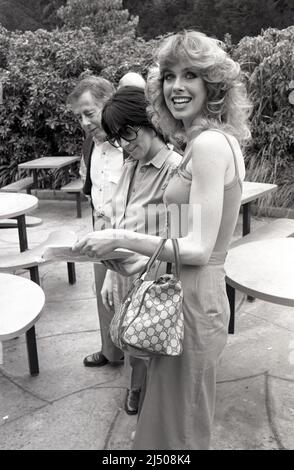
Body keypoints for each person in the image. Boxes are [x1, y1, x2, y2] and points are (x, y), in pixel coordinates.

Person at [72, 30, 251, 449]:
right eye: (169, 76)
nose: (176, 86)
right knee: (173, 420)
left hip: (192, 298)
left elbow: (199, 250)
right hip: (186, 292)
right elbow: (178, 234)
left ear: (214, 84)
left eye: (191, 74)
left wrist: (119, 236)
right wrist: (131, 260)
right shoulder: (205, 141)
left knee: (178, 430)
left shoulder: (207, 145)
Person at [100, 86, 182, 414]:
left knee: (153, 341)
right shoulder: (131, 165)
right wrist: (110, 271)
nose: (124, 143)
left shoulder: (176, 169)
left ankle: (150, 398)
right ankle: (137, 387)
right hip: (126, 273)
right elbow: (119, 219)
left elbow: (180, 239)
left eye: (128, 132)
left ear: (148, 119)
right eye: (117, 138)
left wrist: (143, 262)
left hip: (156, 280)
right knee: (132, 337)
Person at [68, 76, 124, 368]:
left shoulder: (132, 143)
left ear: (109, 104)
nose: (85, 122)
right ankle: (110, 351)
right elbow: (90, 186)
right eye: (79, 116)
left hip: (132, 236)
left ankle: (138, 378)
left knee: (133, 302)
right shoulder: (91, 143)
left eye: (89, 113)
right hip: (101, 232)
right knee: (104, 298)